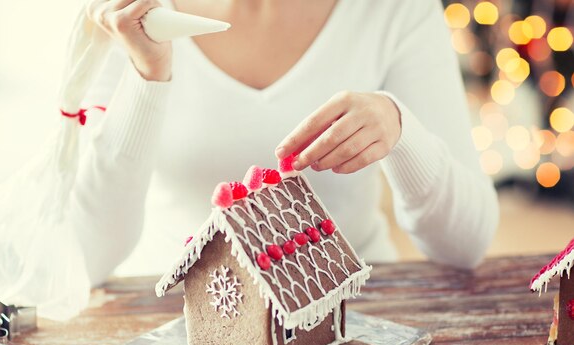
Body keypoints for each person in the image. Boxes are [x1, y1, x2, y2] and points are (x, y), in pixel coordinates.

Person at [74, 0, 499, 284]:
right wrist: (146, 78)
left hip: (357, 309)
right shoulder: (127, 13)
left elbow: (466, 245)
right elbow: (87, 255)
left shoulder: (394, 9)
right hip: (173, 312)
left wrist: (400, 128)